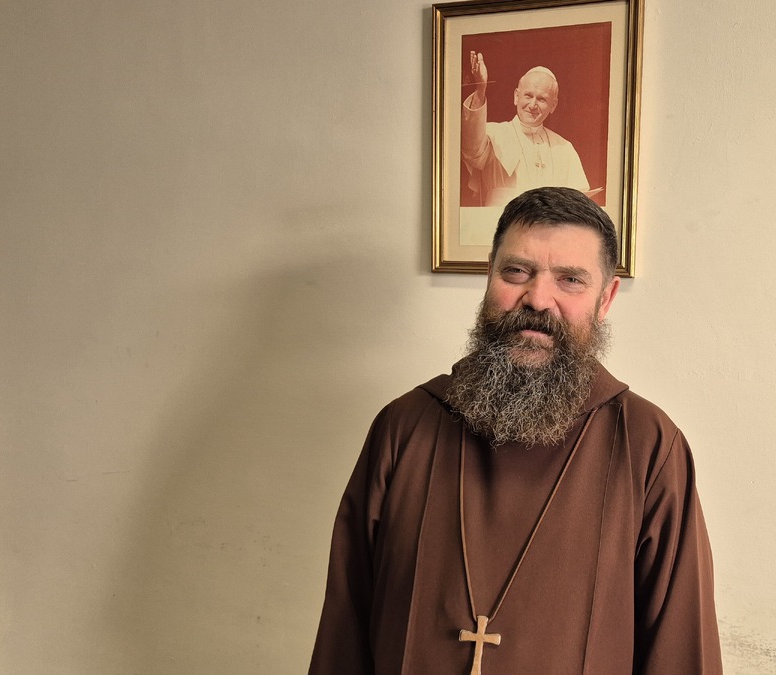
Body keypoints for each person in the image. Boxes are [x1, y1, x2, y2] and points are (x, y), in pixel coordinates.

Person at [309, 187, 721, 674]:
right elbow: (344, 631)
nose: (538, 299)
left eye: (570, 279)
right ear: (489, 274)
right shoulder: (404, 426)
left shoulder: (648, 445)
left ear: (605, 298)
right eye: (517, 272)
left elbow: (679, 650)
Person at [460, 52, 596, 207]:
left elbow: (579, 203)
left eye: (541, 99)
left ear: (553, 105)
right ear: (516, 97)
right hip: (499, 218)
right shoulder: (493, 134)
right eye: (528, 96)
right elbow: (471, 149)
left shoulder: (564, 148)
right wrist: (480, 90)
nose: (532, 105)